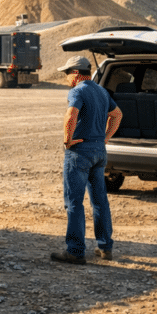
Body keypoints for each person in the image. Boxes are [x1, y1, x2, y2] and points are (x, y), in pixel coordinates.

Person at [51, 55, 123, 265]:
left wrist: (67, 140)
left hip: (80, 153)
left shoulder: (77, 90)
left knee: (74, 202)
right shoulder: (101, 90)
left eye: (66, 73)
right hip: (99, 152)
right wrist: (105, 138)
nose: (66, 78)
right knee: (99, 200)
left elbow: (71, 115)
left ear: (75, 74)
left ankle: (75, 251)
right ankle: (105, 247)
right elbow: (117, 114)